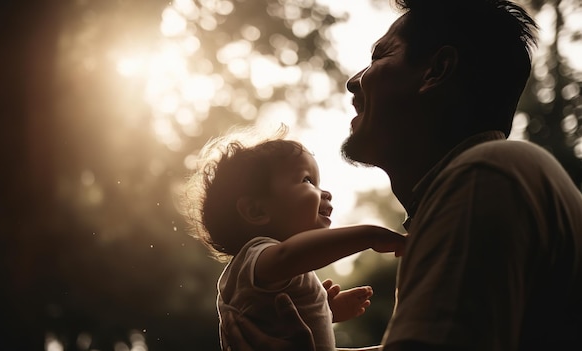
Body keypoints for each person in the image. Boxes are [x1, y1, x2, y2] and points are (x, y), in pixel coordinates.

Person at [223, 0, 582, 350]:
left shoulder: (484, 176)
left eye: (380, 57)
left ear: (436, 71)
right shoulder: (484, 186)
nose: (353, 82)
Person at [180, 124, 406, 351]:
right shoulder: (255, 256)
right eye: (307, 181)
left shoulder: (269, 276)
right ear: (256, 211)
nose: (325, 192)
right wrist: (368, 235)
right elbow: (289, 254)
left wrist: (322, 312)